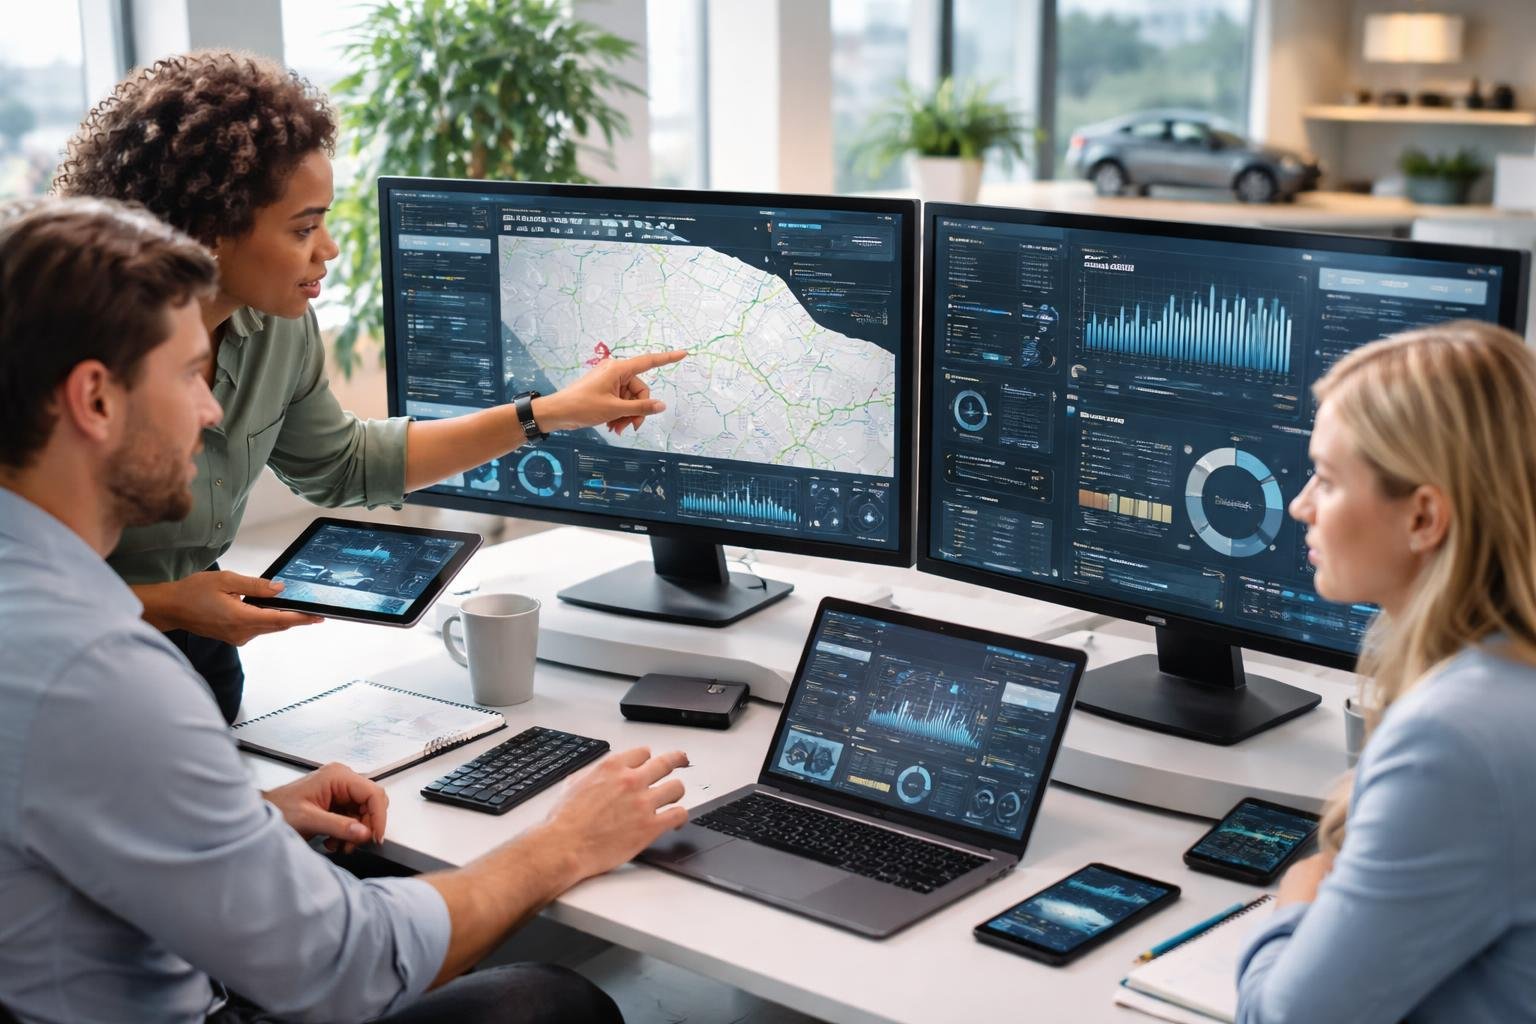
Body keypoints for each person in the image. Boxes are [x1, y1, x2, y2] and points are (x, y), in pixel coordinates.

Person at [0, 197, 690, 1023]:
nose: (212, 411)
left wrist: (245, 821)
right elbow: (350, 966)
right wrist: (565, 843)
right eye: (187, 376)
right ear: (95, 400)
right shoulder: (102, 674)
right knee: (550, 1003)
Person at [54, 50, 686, 722]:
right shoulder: (59, 352)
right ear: (209, 231)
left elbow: (342, 463)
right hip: (69, 658)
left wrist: (551, 412)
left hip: (198, 643)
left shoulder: (279, 326)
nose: (328, 248)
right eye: (304, 228)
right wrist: (161, 604)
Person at [1235, 320, 1536, 1024]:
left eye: (1328, 479)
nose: (1300, 505)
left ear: (1424, 516)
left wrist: (1299, 897)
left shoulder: (1453, 739)